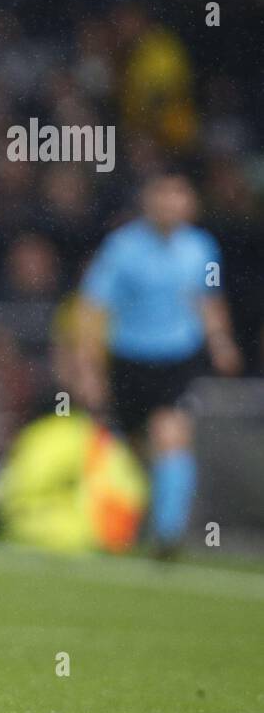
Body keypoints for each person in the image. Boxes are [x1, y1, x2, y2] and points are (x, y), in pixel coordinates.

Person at [77, 173, 242, 556]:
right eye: (164, 195)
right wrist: (88, 368)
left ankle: (168, 535)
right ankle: (124, 524)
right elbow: (93, 307)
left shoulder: (200, 247)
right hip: (129, 359)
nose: (171, 204)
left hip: (177, 360)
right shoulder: (122, 248)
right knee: (131, 449)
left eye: (179, 195)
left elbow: (207, 299)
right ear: (148, 201)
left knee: (172, 437)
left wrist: (220, 342)